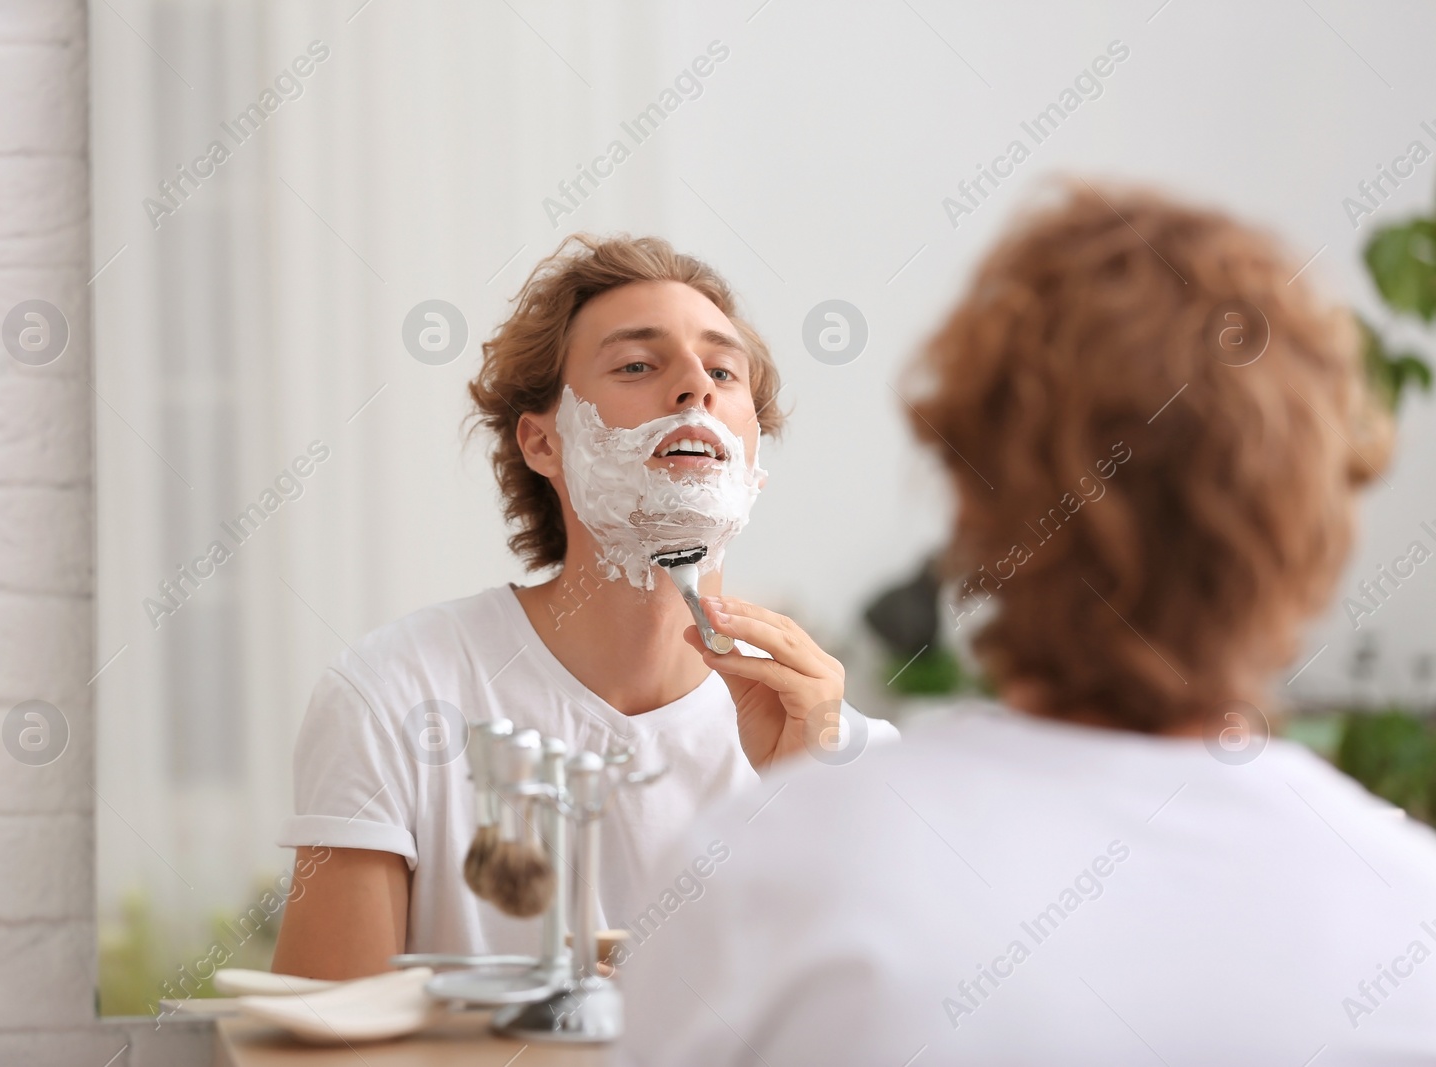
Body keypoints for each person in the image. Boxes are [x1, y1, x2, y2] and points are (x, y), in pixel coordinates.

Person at [618, 185, 1436, 1064]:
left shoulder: (764, 872)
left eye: (723, 369)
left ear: (971, 492)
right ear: (1315, 525)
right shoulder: (1408, 915)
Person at [270, 234, 898, 978]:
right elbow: (325, 1053)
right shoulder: (393, 694)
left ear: (753, 453)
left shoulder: (843, 753)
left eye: (724, 370)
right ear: (544, 442)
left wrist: (804, 803)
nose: (696, 385)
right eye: (638, 364)